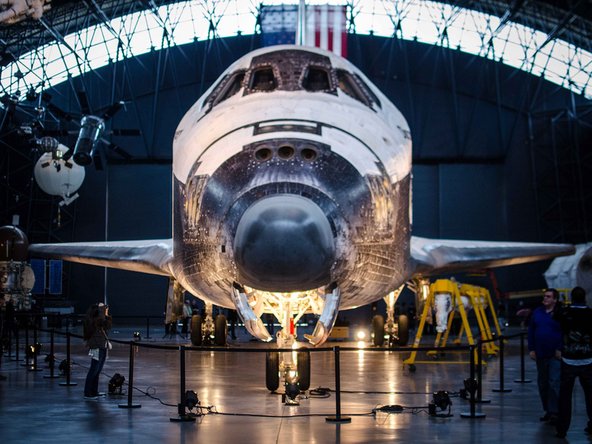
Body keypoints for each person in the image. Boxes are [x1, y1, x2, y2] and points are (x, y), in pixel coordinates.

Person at [555, 286, 592, 439]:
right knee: (590, 396)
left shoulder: (565, 313)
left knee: (565, 397)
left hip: (568, 359)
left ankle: (562, 429)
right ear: (584, 298)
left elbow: (556, 318)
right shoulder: (590, 313)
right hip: (588, 359)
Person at [527, 288, 562, 424]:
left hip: (554, 354)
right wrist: (531, 348)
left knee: (554, 382)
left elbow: (564, 332)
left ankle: (555, 411)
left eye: (548, 297)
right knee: (543, 383)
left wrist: (560, 348)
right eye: (545, 296)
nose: (545, 298)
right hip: (540, 353)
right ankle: (548, 409)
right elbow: (531, 331)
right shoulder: (537, 313)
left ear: (555, 299)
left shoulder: (559, 314)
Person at [83, 302, 112, 400]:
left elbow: (106, 326)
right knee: (94, 369)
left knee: (97, 369)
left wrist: (105, 313)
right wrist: (105, 312)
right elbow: (106, 324)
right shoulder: (96, 317)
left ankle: (94, 391)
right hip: (96, 346)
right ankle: (88, 393)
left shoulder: (97, 317)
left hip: (100, 345)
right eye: (103, 307)